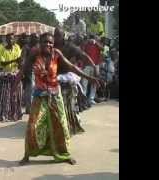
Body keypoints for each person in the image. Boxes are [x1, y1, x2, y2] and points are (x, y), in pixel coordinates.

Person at [17, 32, 100, 165]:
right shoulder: (34, 53)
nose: (48, 44)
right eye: (45, 42)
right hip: (40, 96)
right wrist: (15, 85)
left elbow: (71, 67)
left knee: (60, 126)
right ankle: (27, 154)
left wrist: (89, 77)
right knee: (33, 126)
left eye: (50, 42)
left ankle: (64, 154)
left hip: (55, 95)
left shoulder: (56, 54)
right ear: (40, 43)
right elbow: (23, 68)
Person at [0, 33, 23, 122]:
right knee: (4, 96)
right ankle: (4, 113)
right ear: (6, 40)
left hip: (15, 73)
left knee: (15, 96)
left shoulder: (17, 47)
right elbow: (2, 63)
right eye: (8, 39)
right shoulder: (1, 48)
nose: (10, 40)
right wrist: (14, 60)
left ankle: (14, 113)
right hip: (5, 74)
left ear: (14, 40)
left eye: (12, 39)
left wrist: (20, 67)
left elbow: (19, 60)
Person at [82, 34, 104, 104]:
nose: (92, 40)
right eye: (92, 38)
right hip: (87, 65)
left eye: (94, 38)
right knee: (84, 83)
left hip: (95, 66)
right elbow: (81, 51)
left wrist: (96, 42)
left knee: (94, 83)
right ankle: (84, 99)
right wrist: (87, 42)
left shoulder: (98, 45)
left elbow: (102, 48)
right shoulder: (86, 44)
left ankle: (91, 99)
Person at [22, 33, 40, 114]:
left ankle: (35, 108)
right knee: (29, 90)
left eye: (37, 38)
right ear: (31, 38)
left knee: (37, 90)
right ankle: (29, 108)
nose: (36, 39)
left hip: (39, 71)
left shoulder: (39, 47)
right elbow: (23, 59)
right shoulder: (26, 47)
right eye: (35, 38)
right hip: (29, 71)